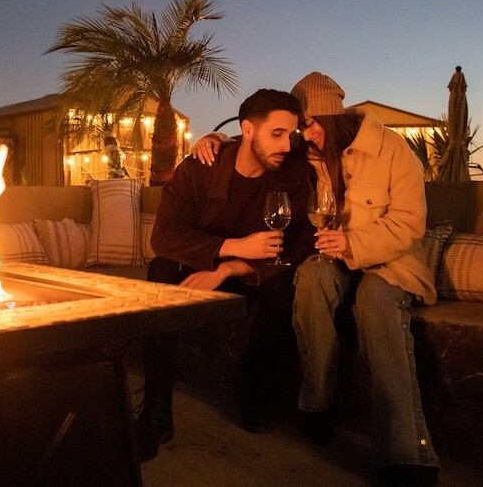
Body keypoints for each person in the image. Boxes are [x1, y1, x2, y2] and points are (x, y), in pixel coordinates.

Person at [192, 73, 440, 486]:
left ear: (330, 116)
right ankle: (318, 405)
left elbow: (409, 224)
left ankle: (406, 454)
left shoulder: (392, 150)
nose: (303, 135)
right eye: (299, 128)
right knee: (309, 279)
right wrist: (214, 140)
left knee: (375, 303)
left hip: (389, 261)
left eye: (309, 124)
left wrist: (353, 242)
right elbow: (257, 142)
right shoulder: (307, 152)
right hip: (333, 257)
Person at [136, 89, 316, 461]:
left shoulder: (292, 173)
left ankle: (254, 394)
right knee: (160, 272)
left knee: (283, 289)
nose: (287, 145)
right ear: (248, 130)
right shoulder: (201, 167)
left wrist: (232, 267)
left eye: (292, 134)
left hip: (252, 272)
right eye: (277, 133)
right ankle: (156, 408)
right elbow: (164, 237)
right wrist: (233, 247)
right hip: (203, 263)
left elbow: (298, 244)